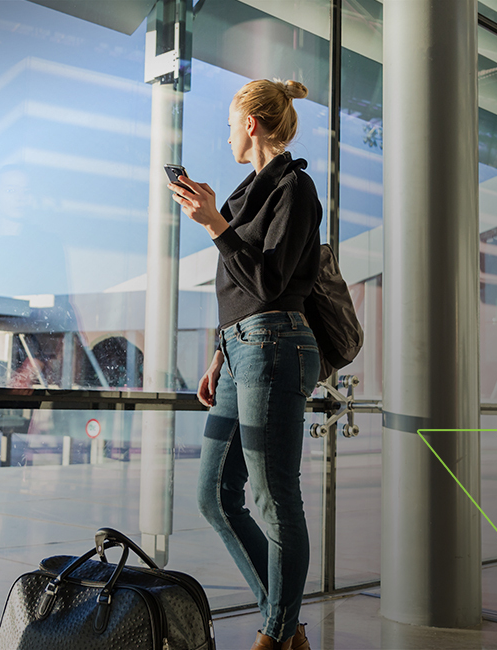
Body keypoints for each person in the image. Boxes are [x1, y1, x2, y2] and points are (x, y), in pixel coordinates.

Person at [170, 79, 321, 650]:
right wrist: (217, 351)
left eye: (232, 124)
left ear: (251, 125)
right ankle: (288, 626)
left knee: (273, 494)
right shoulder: (246, 193)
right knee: (214, 494)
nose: (228, 134)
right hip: (239, 350)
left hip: (275, 346)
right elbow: (236, 290)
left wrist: (213, 222)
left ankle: (277, 633)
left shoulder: (294, 188)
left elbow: (267, 282)